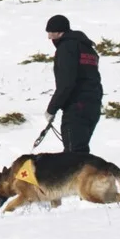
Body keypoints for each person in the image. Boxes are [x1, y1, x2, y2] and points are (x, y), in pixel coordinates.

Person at [44, 16, 103, 154]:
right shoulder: (87, 48)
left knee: (73, 156)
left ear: (60, 32)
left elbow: (66, 83)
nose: (49, 37)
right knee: (80, 152)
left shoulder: (66, 48)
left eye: (51, 33)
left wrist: (52, 109)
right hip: (93, 105)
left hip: (77, 106)